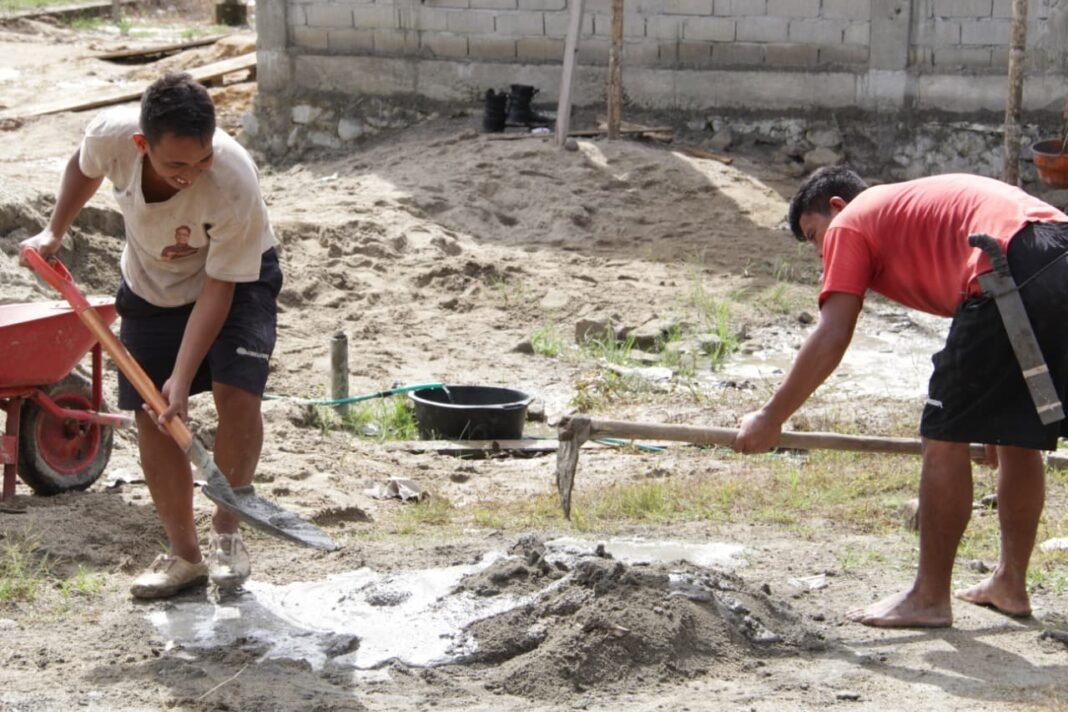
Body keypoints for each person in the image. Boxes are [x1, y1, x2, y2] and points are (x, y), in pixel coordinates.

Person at [731, 166, 1068, 628]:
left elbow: (834, 331)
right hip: (1053, 253)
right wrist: (992, 415)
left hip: (1003, 266)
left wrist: (771, 416)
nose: (819, 253)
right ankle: (1010, 583)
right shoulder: (907, 212)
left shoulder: (853, 219)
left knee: (942, 437)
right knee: (1018, 439)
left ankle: (929, 598)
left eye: (814, 237)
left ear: (836, 206)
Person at [20, 72, 282, 599]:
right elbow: (82, 166)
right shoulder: (111, 138)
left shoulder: (233, 182)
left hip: (234, 280)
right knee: (153, 419)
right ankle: (185, 558)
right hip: (151, 288)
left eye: (202, 158)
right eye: (177, 164)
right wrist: (55, 229)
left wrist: (182, 379)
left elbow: (219, 290)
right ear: (142, 145)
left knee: (237, 394)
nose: (192, 174)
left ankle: (227, 532)